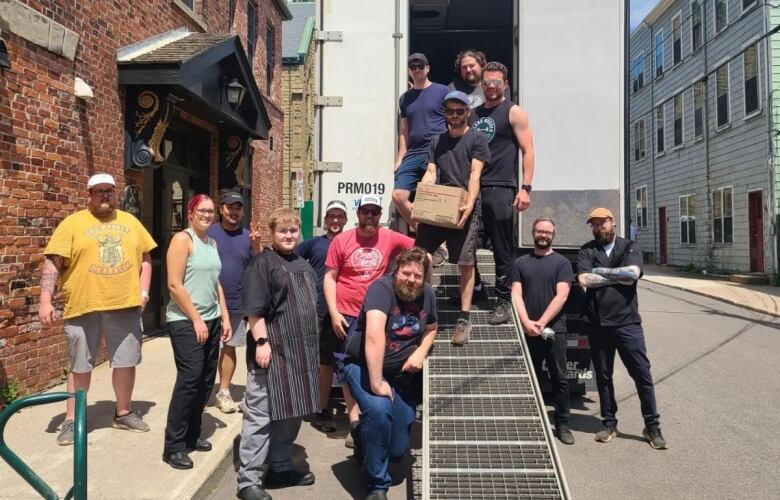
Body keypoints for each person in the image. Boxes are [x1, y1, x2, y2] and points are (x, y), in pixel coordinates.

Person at [39, 173, 157, 446]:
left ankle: (123, 411)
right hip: (83, 304)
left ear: (116, 195)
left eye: (110, 191)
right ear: (89, 194)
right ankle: (72, 419)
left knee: (126, 361)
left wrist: (144, 290)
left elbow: (146, 257)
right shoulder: (72, 224)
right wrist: (45, 300)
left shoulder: (130, 222)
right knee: (80, 365)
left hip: (124, 303)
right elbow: (53, 263)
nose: (106, 195)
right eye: (99, 191)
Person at [341, 247, 437, 500]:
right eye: (406, 273)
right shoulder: (381, 289)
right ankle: (376, 486)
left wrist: (421, 352)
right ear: (396, 271)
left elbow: (431, 328)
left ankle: (362, 434)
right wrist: (376, 383)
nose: (411, 279)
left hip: (400, 377)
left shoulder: (427, 293)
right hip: (362, 367)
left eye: (418, 276)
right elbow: (373, 335)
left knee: (396, 451)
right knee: (380, 410)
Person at [237, 208, 320, 500]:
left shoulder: (304, 264)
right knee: (260, 416)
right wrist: (261, 342)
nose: (288, 235)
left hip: (302, 353)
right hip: (272, 351)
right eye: (283, 230)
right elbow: (253, 310)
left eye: (293, 230)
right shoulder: (262, 263)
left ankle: (281, 467)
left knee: (292, 412)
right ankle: (249, 479)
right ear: (272, 233)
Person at [324, 195, 415, 447]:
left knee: (375, 363)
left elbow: (417, 248)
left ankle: (372, 414)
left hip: (379, 314)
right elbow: (330, 278)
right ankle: (354, 421)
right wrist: (334, 312)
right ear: (358, 213)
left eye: (375, 212)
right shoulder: (342, 240)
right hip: (347, 314)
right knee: (346, 367)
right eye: (366, 212)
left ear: (379, 216)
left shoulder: (389, 237)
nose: (370, 217)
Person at [577, 207, 668, 450]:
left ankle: (652, 426)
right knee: (604, 377)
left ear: (613, 222)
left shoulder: (630, 247)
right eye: (594, 224)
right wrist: (619, 276)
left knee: (642, 375)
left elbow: (634, 273)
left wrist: (602, 272)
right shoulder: (587, 249)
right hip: (598, 325)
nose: (599, 227)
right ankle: (608, 423)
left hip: (628, 323)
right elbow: (584, 280)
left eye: (602, 223)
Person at [414, 90, 490, 346]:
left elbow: (475, 175)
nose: (455, 116)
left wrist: (468, 205)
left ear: (467, 112)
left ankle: (464, 318)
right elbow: (431, 171)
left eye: (460, 111)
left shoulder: (476, 139)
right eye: (450, 111)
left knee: (465, 262)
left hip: (464, 206)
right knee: (421, 255)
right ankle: (424, 309)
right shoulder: (437, 141)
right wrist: (424, 192)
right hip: (441, 205)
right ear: (444, 113)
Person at [163, 194, 232, 469]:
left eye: (211, 211)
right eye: (202, 210)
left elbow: (216, 284)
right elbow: (174, 285)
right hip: (185, 321)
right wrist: (196, 319)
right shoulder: (183, 240)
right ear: (190, 213)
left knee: (205, 380)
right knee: (189, 380)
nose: (207, 215)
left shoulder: (211, 242)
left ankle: (192, 435)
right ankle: (174, 446)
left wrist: (224, 317)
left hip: (213, 320)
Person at [472, 61, 535, 326]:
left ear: (505, 84)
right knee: (465, 244)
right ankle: (476, 287)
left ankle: (501, 302)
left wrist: (525, 187)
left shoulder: (514, 112)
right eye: (487, 82)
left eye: (497, 82)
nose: (492, 87)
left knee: (502, 249)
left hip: (501, 187)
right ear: (481, 84)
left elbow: (528, 150)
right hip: (474, 189)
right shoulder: (472, 114)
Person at [511, 218, 574, 445]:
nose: (543, 235)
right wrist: (526, 322)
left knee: (560, 377)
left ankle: (563, 424)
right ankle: (530, 422)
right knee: (530, 379)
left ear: (553, 234)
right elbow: (516, 294)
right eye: (539, 231)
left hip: (554, 329)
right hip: (527, 329)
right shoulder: (521, 263)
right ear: (533, 233)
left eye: (547, 231)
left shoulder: (562, 263)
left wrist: (541, 322)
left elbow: (562, 295)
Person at [296, 199, 349, 433]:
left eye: (340, 216)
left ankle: (355, 413)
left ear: (346, 220)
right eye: (331, 216)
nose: (335, 220)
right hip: (319, 312)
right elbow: (286, 256)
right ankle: (320, 409)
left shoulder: (352, 242)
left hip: (348, 312)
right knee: (322, 363)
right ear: (325, 220)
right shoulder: (314, 244)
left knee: (348, 363)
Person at [208, 190, 262, 414]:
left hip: (237, 302)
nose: (234, 212)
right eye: (230, 207)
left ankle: (224, 391)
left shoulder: (249, 237)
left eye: (238, 208)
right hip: (208, 302)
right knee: (204, 349)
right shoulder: (208, 234)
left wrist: (257, 247)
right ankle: (200, 392)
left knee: (229, 349)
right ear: (221, 209)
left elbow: (258, 269)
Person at [392, 53, 449, 230]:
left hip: (437, 150)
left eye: (420, 66)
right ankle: (423, 233)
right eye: (413, 67)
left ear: (428, 68)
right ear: (409, 71)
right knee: (399, 196)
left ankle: (439, 243)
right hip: (414, 153)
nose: (417, 70)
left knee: (431, 197)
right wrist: (401, 158)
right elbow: (404, 131)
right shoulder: (405, 98)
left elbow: (454, 120)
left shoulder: (442, 91)